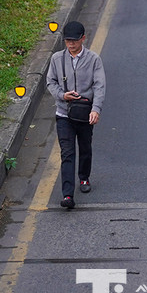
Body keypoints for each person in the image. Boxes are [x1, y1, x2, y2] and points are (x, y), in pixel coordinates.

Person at [45, 20, 105, 209]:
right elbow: (50, 82)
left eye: (75, 40)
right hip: (64, 113)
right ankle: (68, 195)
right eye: (68, 40)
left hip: (85, 114)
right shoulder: (56, 59)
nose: (71, 44)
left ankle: (84, 177)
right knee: (67, 153)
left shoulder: (94, 59)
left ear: (83, 39)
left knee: (85, 148)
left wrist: (96, 109)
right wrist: (62, 95)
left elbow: (99, 86)